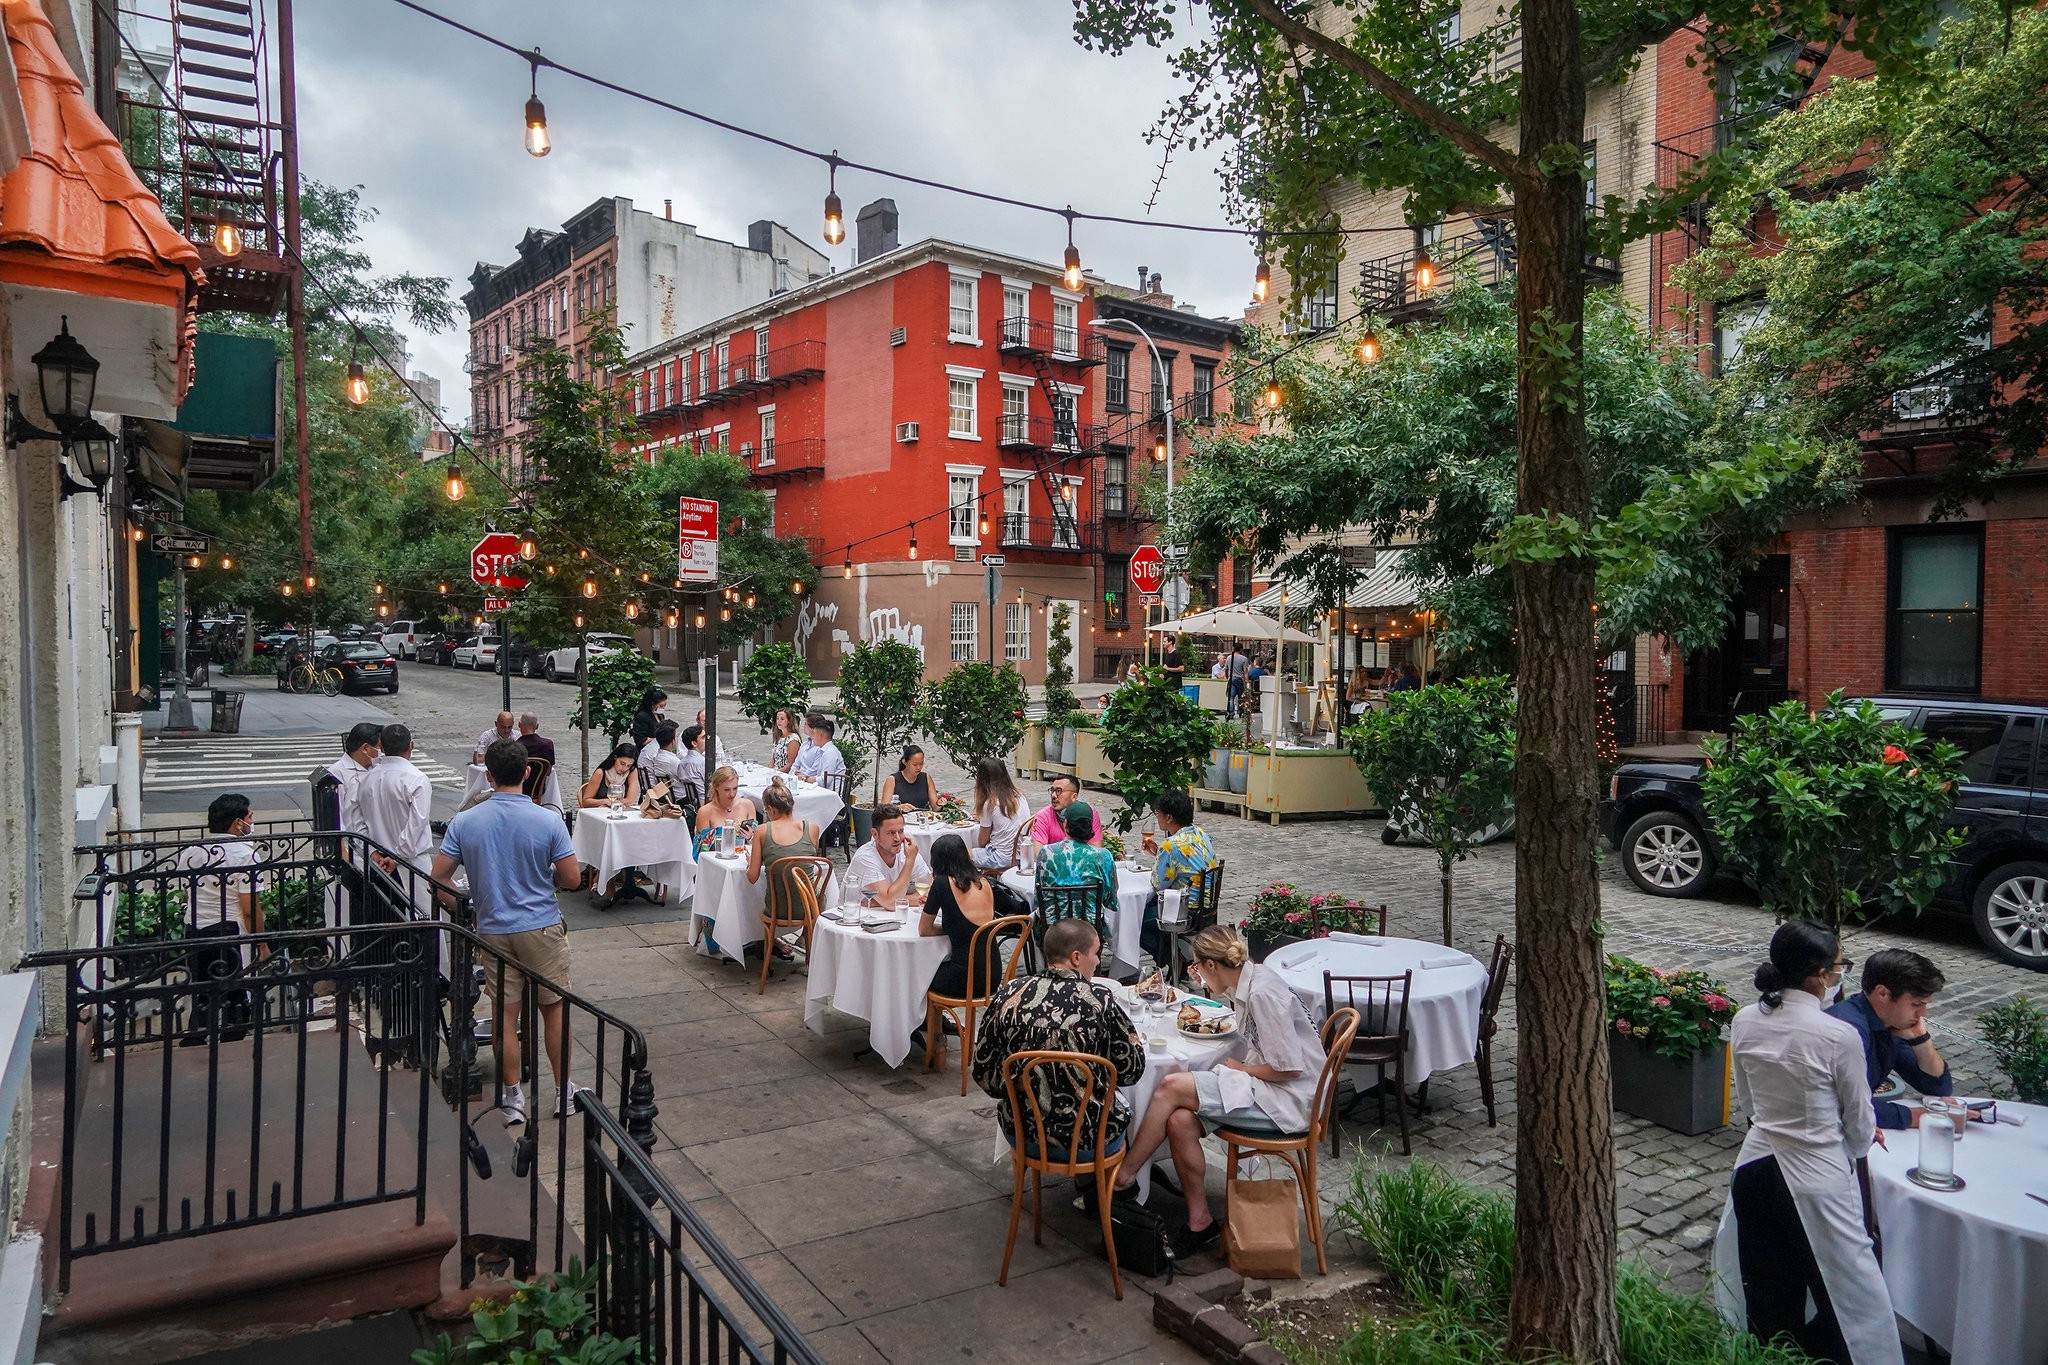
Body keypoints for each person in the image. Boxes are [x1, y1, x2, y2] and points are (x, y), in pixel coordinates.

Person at [1710, 921, 1903, 1365]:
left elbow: (1751, 1104)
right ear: (1819, 975)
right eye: (1839, 968)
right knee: (1852, 1294)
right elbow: (1859, 1122)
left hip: (1755, 1167)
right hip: (1817, 1176)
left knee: (1767, 1291)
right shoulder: (1837, 1036)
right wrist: (1850, 1156)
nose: (1840, 976)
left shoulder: (1744, 1019)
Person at [1112, 925, 1324, 1257]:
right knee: (1179, 1121)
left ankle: (1124, 1176)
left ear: (1211, 965)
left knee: (1169, 1087)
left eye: (1197, 966)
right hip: (1268, 1087)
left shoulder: (1261, 994)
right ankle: (1200, 1222)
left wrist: (1242, 1070)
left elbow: (1289, 1068)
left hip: (1289, 1100)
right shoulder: (1250, 981)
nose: (1197, 975)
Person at [431, 739, 586, 1127]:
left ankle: (512, 1094)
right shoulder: (547, 819)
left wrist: (463, 909)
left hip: (494, 928)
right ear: (528, 773)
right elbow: (571, 879)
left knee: (504, 1014)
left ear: (488, 775)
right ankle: (563, 1090)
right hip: (541, 927)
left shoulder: (466, 821)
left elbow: (439, 879)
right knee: (553, 1009)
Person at [971, 918, 1146, 1162]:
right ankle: (1108, 1190)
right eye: (1096, 953)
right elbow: (1131, 1070)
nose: (1097, 961)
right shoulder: (1100, 1000)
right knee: (1119, 1109)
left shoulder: (1009, 993)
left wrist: (1022, 1083)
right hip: (1090, 1140)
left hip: (1023, 1134)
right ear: (1076, 957)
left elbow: (984, 1073)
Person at [1827, 949, 1955, 1131]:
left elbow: (1938, 1087)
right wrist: (1920, 1116)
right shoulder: (1849, 1030)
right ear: (1882, 994)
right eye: (1916, 1004)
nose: (1923, 1014)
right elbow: (1844, 1106)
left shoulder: (1891, 1024)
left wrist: (1921, 1039)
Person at [1140, 789, 1215, 967]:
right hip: (1206, 905)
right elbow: (1186, 863)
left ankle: (1172, 958)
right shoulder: (1200, 833)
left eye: (1158, 813)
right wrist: (1159, 853)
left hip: (1185, 909)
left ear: (1169, 818)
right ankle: (1176, 958)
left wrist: (1161, 855)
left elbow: (1158, 884)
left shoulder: (1171, 845)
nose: (1157, 817)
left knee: (1135, 921)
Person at [747, 780, 821, 960]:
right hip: (809, 908)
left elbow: (752, 877)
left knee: (751, 897)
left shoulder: (763, 831)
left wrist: (751, 860)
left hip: (777, 909)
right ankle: (809, 939)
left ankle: (758, 941)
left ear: (771, 809)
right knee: (817, 890)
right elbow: (804, 862)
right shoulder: (812, 828)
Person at [919, 833, 997, 998]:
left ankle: (926, 1024)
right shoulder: (984, 882)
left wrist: (948, 928)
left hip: (965, 978)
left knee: (917, 973)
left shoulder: (942, 883)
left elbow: (924, 930)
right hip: (993, 974)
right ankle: (938, 1023)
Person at [355, 724, 434, 883]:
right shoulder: (417, 779)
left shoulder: (366, 780)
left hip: (379, 862)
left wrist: (372, 852)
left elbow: (357, 823)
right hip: (412, 865)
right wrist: (396, 857)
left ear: (381, 747)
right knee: (417, 907)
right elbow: (416, 826)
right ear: (411, 745)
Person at [1035, 802, 1117, 919]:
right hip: (1090, 929)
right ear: (1090, 826)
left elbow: (1038, 897)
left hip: (1052, 929)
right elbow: (1110, 900)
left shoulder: (1047, 852)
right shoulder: (1103, 856)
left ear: (1066, 824)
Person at [842, 803, 930, 909]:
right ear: (875, 834)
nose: (898, 838)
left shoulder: (907, 850)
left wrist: (881, 902)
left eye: (901, 831)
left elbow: (929, 890)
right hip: (857, 919)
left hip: (888, 917)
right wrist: (910, 861)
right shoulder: (865, 858)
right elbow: (891, 903)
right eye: (891, 833)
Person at [970, 757, 1031, 871]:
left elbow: (982, 842)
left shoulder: (990, 803)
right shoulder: (1020, 796)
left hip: (1001, 857)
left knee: (960, 854)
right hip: (1021, 855)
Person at [325, 722, 383, 831]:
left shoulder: (377, 768)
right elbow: (337, 815)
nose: (380, 752)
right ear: (365, 748)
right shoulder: (336, 774)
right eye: (378, 747)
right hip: (352, 839)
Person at [693, 765, 758, 855]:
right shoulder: (705, 812)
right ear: (716, 787)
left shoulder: (747, 805)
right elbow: (702, 849)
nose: (732, 794)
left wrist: (751, 837)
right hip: (716, 860)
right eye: (726, 790)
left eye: (735, 788)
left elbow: (756, 841)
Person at [1028, 774, 1101, 846]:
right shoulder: (1043, 816)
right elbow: (1039, 854)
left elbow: (1096, 851)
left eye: (1059, 791)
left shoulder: (1089, 814)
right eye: (1052, 790)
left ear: (1074, 797)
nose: (1053, 795)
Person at [581, 743, 642, 809]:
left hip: (621, 812)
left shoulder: (631, 772)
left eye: (629, 765)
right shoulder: (600, 773)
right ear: (615, 757)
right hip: (599, 813)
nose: (624, 768)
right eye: (622, 763)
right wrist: (604, 801)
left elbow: (630, 800)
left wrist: (614, 804)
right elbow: (585, 802)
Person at [791, 713, 846, 785]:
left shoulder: (830, 753)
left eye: (814, 733)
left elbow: (825, 780)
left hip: (830, 793)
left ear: (820, 735)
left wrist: (805, 778)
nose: (812, 736)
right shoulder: (824, 750)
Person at [882, 745, 934, 811]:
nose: (918, 767)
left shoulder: (926, 778)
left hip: (923, 818)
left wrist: (941, 803)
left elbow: (936, 807)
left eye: (921, 764)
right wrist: (898, 807)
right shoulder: (892, 780)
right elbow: (883, 809)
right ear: (905, 762)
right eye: (914, 764)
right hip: (901, 819)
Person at [676, 723, 709, 795]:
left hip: (692, 802)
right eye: (703, 737)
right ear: (694, 743)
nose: (707, 740)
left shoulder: (681, 763)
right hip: (705, 801)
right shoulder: (702, 763)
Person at [768, 708, 804, 772]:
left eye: (782, 719)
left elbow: (791, 763)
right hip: (775, 771)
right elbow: (773, 759)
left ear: (789, 721)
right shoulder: (779, 736)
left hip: (784, 774)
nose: (779, 721)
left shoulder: (793, 739)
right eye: (777, 718)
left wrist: (777, 773)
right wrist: (769, 771)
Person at [1226, 643, 1250, 715]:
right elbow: (1245, 672)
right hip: (1239, 679)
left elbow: (1226, 669)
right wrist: (1247, 682)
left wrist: (1228, 677)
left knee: (1231, 697)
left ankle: (1231, 712)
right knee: (1241, 697)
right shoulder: (1244, 659)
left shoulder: (1229, 658)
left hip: (1231, 679)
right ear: (1241, 649)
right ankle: (1241, 712)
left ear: (1233, 649)